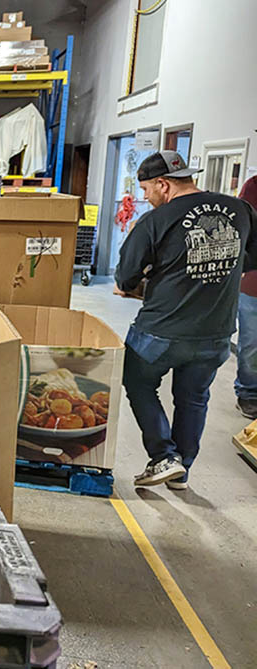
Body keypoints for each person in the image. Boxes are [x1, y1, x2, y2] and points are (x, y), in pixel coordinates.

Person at [115, 150, 257, 490]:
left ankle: (164, 457)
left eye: (147, 190)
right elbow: (249, 261)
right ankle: (182, 470)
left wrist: (145, 282)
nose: (146, 198)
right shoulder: (240, 210)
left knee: (137, 381)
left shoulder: (154, 221)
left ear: (163, 185)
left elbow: (125, 277)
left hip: (160, 331)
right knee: (193, 397)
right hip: (216, 333)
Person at [235, 174, 257, 418]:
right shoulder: (254, 187)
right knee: (252, 343)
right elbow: (242, 231)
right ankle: (249, 393)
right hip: (254, 284)